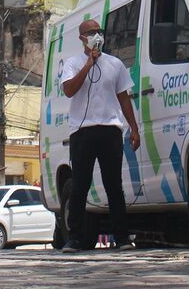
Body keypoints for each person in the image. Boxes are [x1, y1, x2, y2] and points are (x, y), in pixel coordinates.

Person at [60, 18, 140, 253]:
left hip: (110, 130)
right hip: (82, 132)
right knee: (80, 186)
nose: (97, 35)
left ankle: (122, 237)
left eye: (99, 31)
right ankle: (75, 238)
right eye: (91, 32)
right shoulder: (73, 63)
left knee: (114, 185)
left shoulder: (115, 64)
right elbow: (69, 90)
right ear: (82, 38)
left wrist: (134, 128)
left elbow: (124, 98)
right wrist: (89, 63)